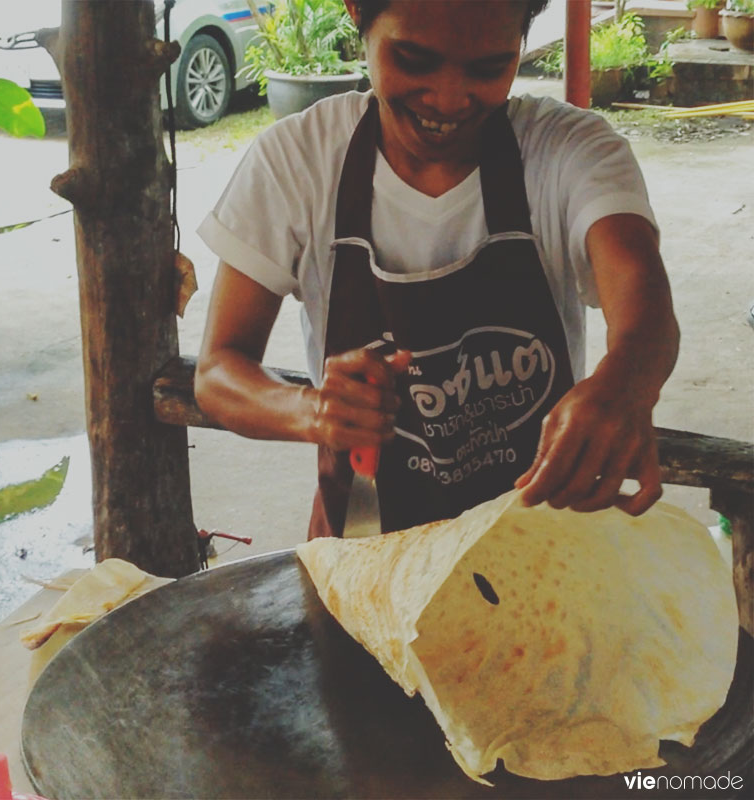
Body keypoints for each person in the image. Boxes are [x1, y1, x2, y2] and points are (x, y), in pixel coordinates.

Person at [195, 0, 680, 538]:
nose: (449, 99)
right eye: (413, 59)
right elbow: (218, 372)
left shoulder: (569, 151)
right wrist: (311, 410)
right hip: (367, 548)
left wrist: (626, 385)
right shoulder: (299, 161)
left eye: (489, 68)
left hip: (540, 549)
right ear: (358, 15)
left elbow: (645, 309)